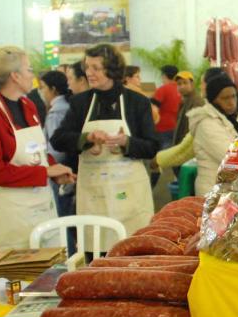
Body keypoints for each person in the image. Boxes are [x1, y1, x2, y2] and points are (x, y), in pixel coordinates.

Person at [0, 46, 74, 250]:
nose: (33, 76)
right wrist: (45, 172)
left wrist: (54, 171)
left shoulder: (27, 105)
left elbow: (38, 152)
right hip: (11, 213)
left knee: (52, 272)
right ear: (15, 76)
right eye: (29, 69)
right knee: (18, 280)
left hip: (41, 205)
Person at [51, 43, 159, 248]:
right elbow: (58, 139)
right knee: (96, 253)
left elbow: (152, 146)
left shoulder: (137, 102)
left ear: (112, 69)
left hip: (131, 196)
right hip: (94, 196)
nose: (88, 73)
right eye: (87, 67)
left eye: (95, 68)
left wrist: (127, 142)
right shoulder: (80, 103)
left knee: (134, 251)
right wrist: (86, 138)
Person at [187, 74, 238, 196]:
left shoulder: (231, 120)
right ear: (213, 100)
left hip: (226, 190)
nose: (231, 102)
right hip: (212, 192)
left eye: (233, 96)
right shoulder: (207, 124)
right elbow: (231, 156)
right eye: (225, 98)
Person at [39, 71, 76, 223]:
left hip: (60, 170)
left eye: (43, 88)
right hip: (67, 168)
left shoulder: (56, 112)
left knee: (61, 218)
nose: (41, 92)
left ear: (53, 89)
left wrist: (49, 166)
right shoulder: (68, 106)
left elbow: (56, 148)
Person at [152, 65, 181, 149]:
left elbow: (154, 110)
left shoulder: (162, 90)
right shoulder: (181, 89)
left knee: (163, 158)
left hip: (163, 129)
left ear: (164, 76)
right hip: (178, 128)